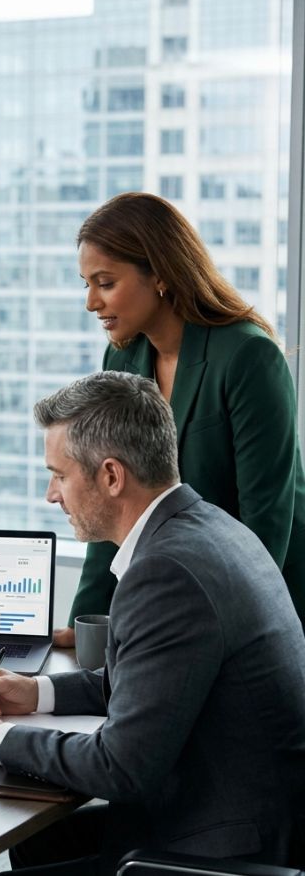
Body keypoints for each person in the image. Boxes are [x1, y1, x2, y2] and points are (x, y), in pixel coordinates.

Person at [0, 371, 305, 871]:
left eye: (59, 475)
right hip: (236, 813)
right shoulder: (209, 528)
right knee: (34, 840)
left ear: (111, 475)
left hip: (216, 847)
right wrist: (38, 691)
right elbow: (153, 686)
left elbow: (121, 767)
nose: (51, 494)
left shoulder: (165, 572)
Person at [54, 192, 305, 647]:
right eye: (85, 283)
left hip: (257, 608)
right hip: (178, 595)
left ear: (161, 275)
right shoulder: (123, 357)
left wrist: (201, 630)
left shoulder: (248, 357)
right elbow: (108, 499)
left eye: (105, 283)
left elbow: (264, 528)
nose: (91, 301)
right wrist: (85, 625)